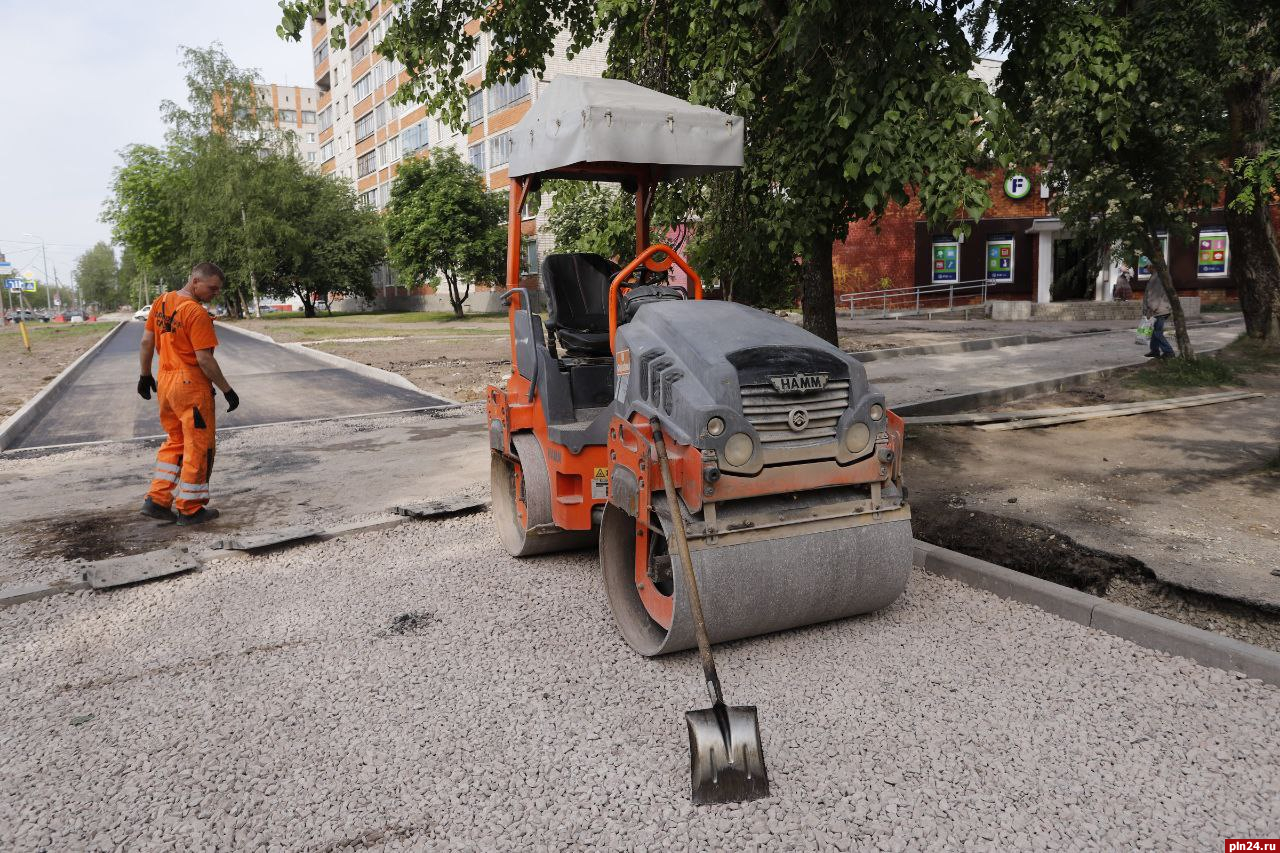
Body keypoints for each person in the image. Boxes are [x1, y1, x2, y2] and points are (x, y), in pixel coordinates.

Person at [136, 262, 240, 525]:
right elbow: (203, 359)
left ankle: (157, 500)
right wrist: (227, 389)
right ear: (195, 281)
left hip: (166, 383)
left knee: (175, 441)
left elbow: (147, 341)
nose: (215, 293)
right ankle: (190, 507)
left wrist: (145, 374)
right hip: (191, 386)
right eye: (212, 288)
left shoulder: (161, 302)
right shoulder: (196, 314)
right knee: (198, 445)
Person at [1141, 270, 1175, 359]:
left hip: (1159, 310)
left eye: (1147, 266)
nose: (1147, 269)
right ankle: (1155, 351)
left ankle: (1169, 351)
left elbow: (1155, 295)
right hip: (1160, 309)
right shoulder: (1158, 275)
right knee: (1154, 332)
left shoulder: (1158, 277)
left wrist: (1151, 309)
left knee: (1157, 332)